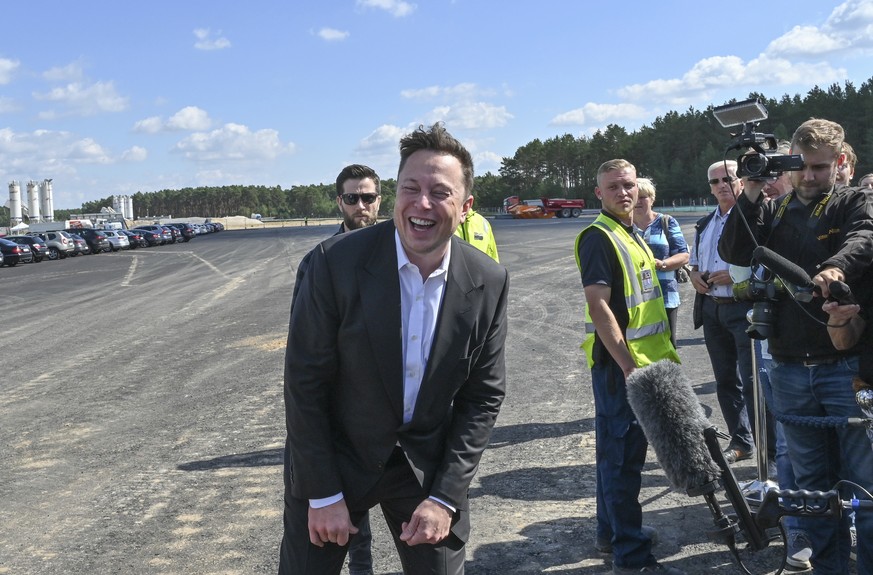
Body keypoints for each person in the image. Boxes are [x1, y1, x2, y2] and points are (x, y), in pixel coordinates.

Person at [278, 122, 509, 575]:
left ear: (465, 208)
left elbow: (482, 396)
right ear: (396, 194)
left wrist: (445, 497)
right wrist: (322, 494)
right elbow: (304, 382)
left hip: (424, 465)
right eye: (411, 188)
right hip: (336, 456)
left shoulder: (488, 281)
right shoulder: (334, 264)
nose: (422, 204)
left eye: (440, 192)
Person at [718, 118, 873, 574]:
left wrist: (835, 268)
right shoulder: (776, 207)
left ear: (840, 162)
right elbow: (736, 251)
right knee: (809, 489)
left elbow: (866, 236)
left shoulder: (852, 200)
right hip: (787, 366)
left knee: (864, 486)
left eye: (820, 168)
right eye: (801, 167)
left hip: (846, 364)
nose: (809, 177)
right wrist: (749, 190)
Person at [576, 159, 684, 575]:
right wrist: (627, 366)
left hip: (637, 364)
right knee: (623, 462)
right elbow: (598, 304)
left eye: (630, 185)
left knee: (614, 457)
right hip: (623, 368)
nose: (624, 192)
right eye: (614, 187)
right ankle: (632, 554)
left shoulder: (629, 233)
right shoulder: (599, 237)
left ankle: (612, 534)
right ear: (598, 194)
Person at [284, 164, 383, 575]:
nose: (361, 205)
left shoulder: (400, 255)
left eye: (368, 197)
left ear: (381, 200)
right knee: (344, 514)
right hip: (341, 409)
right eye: (351, 198)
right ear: (338, 202)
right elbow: (303, 352)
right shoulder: (319, 262)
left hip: (391, 412)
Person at [690, 160, 775, 467]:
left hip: (744, 309)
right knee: (726, 380)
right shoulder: (704, 224)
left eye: (728, 179)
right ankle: (741, 442)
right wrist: (694, 275)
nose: (721, 185)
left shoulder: (756, 217)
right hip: (713, 309)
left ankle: (770, 450)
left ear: (741, 182)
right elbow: (696, 261)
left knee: (754, 382)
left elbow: (769, 260)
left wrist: (736, 273)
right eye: (715, 182)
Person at [632, 177, 689, 348]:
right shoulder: (623, 226)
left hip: (665, 297)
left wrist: (661, 264)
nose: (638, 201)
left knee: (666, 348)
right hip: (633, 299)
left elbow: (683, 255)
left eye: (643, 197)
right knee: (638, 349)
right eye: (635, 196)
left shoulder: (666, 222)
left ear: (652, 198)